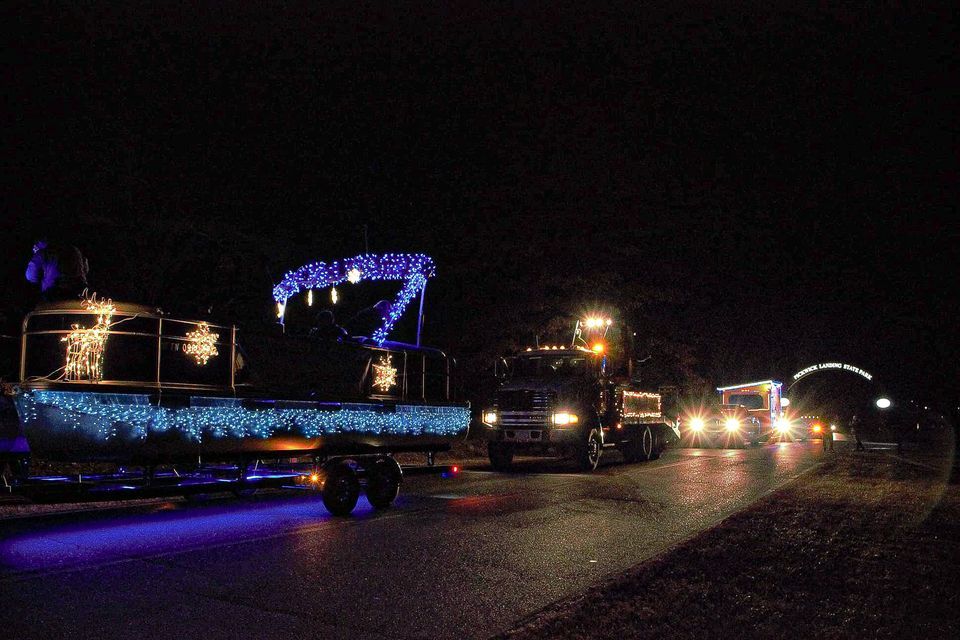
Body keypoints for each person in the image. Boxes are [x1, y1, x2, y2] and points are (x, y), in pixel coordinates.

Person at [25, 239, 90, 301]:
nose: (34, 248)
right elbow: (86, 269)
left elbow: (31, 276)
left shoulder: (43, 253)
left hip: (54, 292)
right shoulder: (75, 249)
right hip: (79, 289)